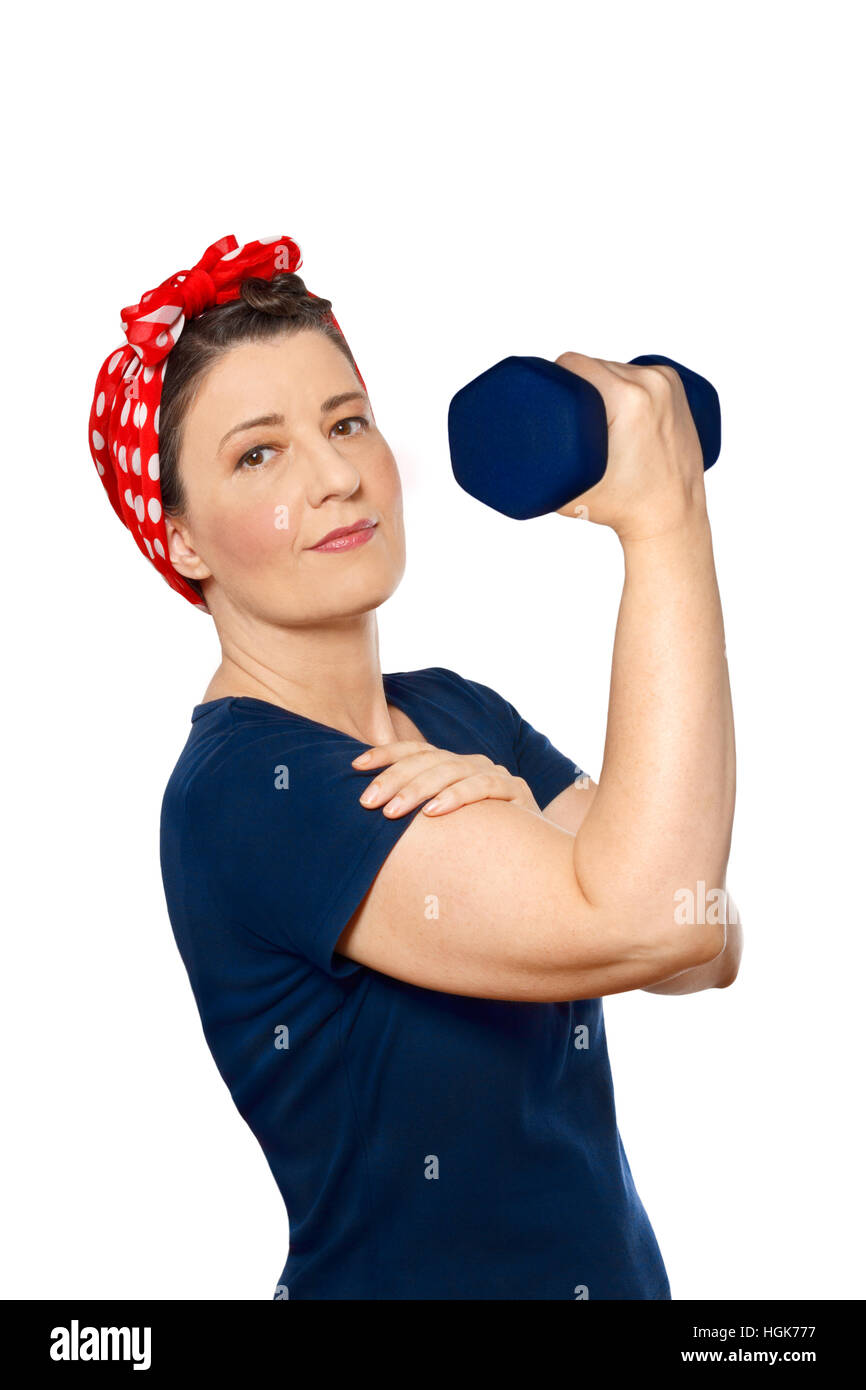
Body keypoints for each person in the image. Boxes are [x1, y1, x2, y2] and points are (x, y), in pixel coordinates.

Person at [88, 233, 741, 1301]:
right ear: (185, 541)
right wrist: (663, 518)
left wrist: (545, 828)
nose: (338, 475)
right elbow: (654, 918)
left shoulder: (453, 711)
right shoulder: (249, 791)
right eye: (259, 454)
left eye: (346, 421)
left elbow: (697, 932)